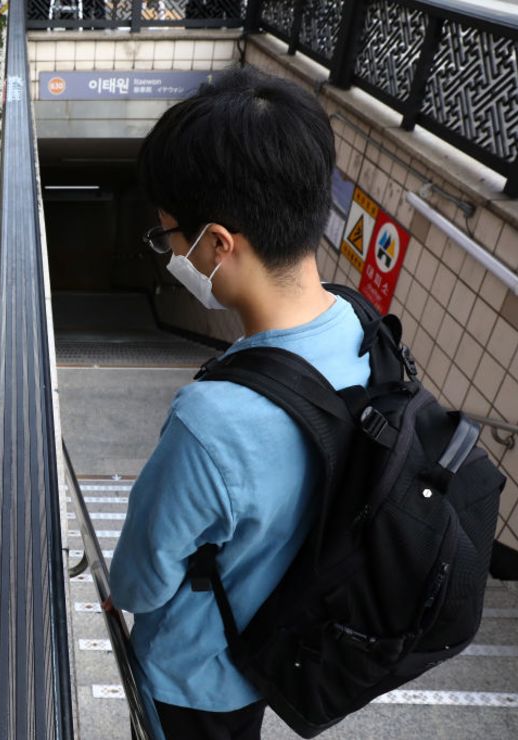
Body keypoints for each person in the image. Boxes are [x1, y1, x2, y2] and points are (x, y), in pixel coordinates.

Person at [107, 67, 370, 740]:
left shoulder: (213, 421)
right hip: (274, 649)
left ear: (219, 244)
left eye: (170, 235)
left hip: (193, 677)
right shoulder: (361, 329)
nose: (171, 251)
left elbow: (138, 584)